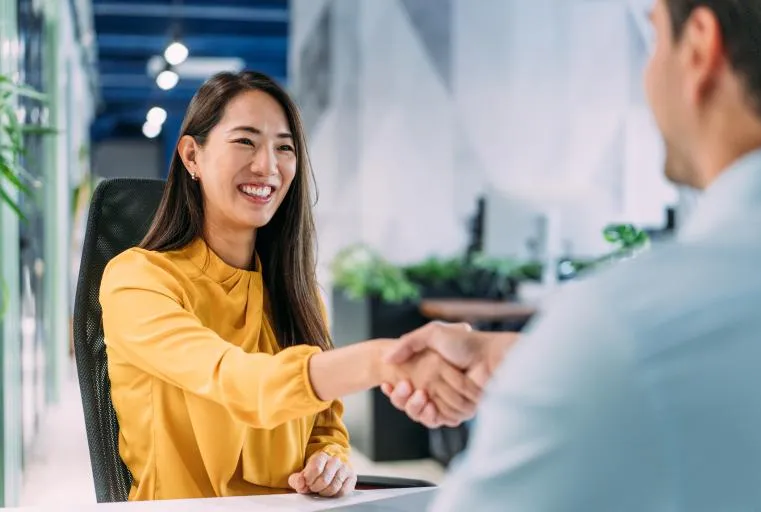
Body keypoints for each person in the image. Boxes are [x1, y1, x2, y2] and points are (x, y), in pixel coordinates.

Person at [384, 0, 761, 510]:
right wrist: (535, 360)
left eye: (653, 40)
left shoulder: (624, 331)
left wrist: (569, 363)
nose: (646, 75)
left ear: (698, 48)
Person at [99, 71, 481, 502]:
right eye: (245, 141)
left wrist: (330, 459)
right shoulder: (137, 280)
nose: (268, 166)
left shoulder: (297, 293)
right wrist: (384, 361)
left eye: (284, 147)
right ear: (192, 156)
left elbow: (325, 424)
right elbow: (239, 382)